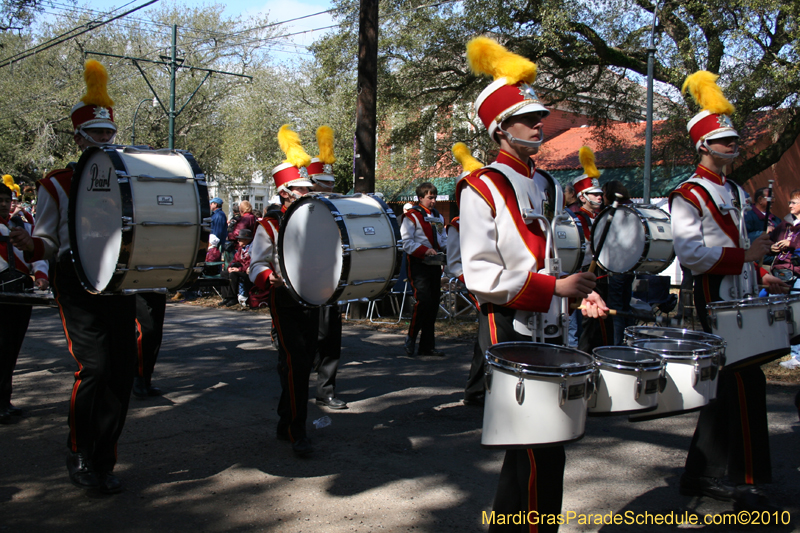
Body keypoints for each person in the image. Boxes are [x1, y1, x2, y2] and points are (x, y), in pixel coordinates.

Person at [460, 37, 607, 532]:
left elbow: (554, 254)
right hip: (508, 321)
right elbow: (480, 274)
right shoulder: (479, 187)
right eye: (528, 118)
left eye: (539, 116)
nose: (539, 125)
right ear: (501, 129)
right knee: (533, 444)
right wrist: (553, 289)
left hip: (550, 319)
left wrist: (582, 287)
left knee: (547, 444)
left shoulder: (548, 185)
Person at [10, 60, 137, 494]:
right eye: (95, 134)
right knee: (97, 367)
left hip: (117, 279)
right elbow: (45, 240)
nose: (103, 139)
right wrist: (30, 247)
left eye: (108, 133)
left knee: (122, 369)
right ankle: (80, 452)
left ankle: (105, 458)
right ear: (78, 137)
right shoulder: (57, 183)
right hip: (76, 279)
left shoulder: (128, 179)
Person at [670, 70, 787, 512]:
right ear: (703, 145)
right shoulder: (688, 193)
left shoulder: (736, 190)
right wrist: (746, 258)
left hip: (740, 291)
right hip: (711, 293)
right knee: (737, 379)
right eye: (723, 141)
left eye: (733, 140)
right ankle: (718, 476)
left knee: (741, 381)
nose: (732, 147)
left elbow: (740, 245)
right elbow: (691, 253)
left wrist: (758, 272)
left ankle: (716, 474)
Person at [249, 125, 319, 457]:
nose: (307, 195)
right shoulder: (269, 226)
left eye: (308, 190)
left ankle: (284, 419)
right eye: (300, 190)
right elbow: (255, 264)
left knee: (301, 362)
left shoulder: (317, 223)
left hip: (312, 297)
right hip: (285, 299)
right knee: (296, 361)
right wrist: (268, 278)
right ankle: (296, 431)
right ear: (285, 194)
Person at [0, 181, 49, 424]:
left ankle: (4, 400)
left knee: (10, 349)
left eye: (5, 200)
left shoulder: (22, 226)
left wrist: (40, 275)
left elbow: (36, 256)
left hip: (19, 293)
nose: (3, 205)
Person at [306, 125, 347, 409]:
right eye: (324, 183)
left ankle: (326, 390)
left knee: (331, 337)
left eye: (331, 183)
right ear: (312, 183)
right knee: (309, 338)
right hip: (303, 283)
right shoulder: (301, 210)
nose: (330, 187)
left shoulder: (339, 207)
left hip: (331, 281)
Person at [447, 143, 487, 406]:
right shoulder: (457, 226)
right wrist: (473, 284)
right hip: (479, 287)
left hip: (500, 285)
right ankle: (475, 390)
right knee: (487, 339)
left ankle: (481, 388)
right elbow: (454, 264)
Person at [572, 147, 613, 352]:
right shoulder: (577, 219)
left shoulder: (602, 217)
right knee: (589, 323)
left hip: (603, 273)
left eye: (600, 194)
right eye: (593, 195)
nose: (599, 198)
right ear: (582, 197)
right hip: (588, 272)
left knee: (604, 321)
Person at [400, 181, 447, 356]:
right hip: (418, 263)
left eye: (434, 197)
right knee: (423, 301)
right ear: (420, 198)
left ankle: (427, 346)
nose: (433, 201)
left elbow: (443, 239)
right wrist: (425, 250)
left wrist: (448, 249)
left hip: (435, 264)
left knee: (434, 304)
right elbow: (407, 242)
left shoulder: (438, 216)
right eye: (430, 198)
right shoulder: (411, 216)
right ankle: (410, 338)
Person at [768, 190, 800, 368]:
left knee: (797, 313)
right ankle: (777, 349)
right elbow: (768, 241)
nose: (790, 206)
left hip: (798, 273)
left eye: (794, 202)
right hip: (780, 272)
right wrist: (771, 247)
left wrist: (792, 244)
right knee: (776, 310)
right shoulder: (784, 225)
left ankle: (797, 356)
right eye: (789, 202)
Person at [602, 180, 635, 345]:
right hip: (631, 265)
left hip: (617, 265)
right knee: (625, 305)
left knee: (615, 308)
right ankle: (629, 342)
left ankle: (616, 346)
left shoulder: (616, 211)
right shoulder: (633, 209)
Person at [133, 292, 166, 399]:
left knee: (156, 333)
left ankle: (146, 379)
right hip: (137, 287)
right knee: (147, 330)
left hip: (158, 285)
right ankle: (138, 377)